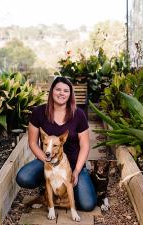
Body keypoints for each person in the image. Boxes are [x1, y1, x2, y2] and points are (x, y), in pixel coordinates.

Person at [16, 76, 97, 211]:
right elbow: (32, 143)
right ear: (52, 91)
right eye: (58, 89)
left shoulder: (79, 114)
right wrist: (47, 160)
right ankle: (48, 184)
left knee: (87, 205)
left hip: (72, 163)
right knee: (24, 177)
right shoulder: (38, 112)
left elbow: (85, 145)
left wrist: (76, 171)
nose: (61, 93)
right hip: (46, 160)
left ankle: (70, 185)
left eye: (66, 91)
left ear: (70, 94)